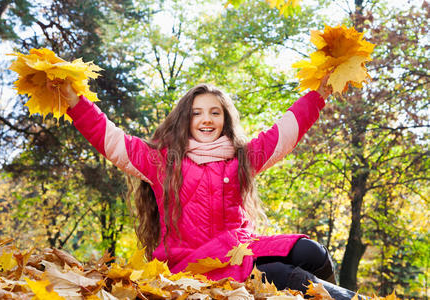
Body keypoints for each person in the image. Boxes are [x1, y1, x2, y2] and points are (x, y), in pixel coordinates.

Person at [49, 78, 364, 299]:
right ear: (185, 119)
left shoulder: (241, 158)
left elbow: (287, 130)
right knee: (284, 275)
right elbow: (109, 138)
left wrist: (320, 92)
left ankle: (325, 295)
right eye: (197, 112)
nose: (206, 119)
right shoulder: (162, 161)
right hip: (195, 262)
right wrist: (74, 100)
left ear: (225, 119)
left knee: (312, 252)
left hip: (240, 249)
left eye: (215, 112)